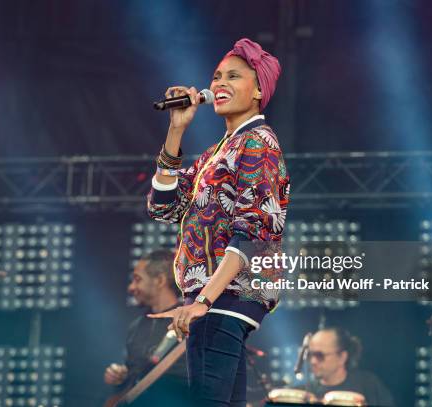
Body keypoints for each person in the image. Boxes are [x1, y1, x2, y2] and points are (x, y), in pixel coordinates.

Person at [146, 38, 290, 406]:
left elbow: (253, 233)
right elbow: (164, 208)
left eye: (233, 76)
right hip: (214, 301)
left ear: (259, 89)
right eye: (216, 76)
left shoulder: (258, 143)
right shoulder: (218, 151)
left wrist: (204, 301)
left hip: (222, 299)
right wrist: (177, 129)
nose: (219, 84)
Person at [103, 249, 187, 405]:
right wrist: (121, 377)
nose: (131, 287)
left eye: (137, 279)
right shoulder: (136, 326)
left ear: (160, 280)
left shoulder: (187, 320)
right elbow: (135, 377)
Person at [304, 327, 395, 406]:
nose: (313, 361)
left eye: (320, 355)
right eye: (310, 355)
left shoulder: (369, 385)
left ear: (342, 357)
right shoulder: (306, 393)